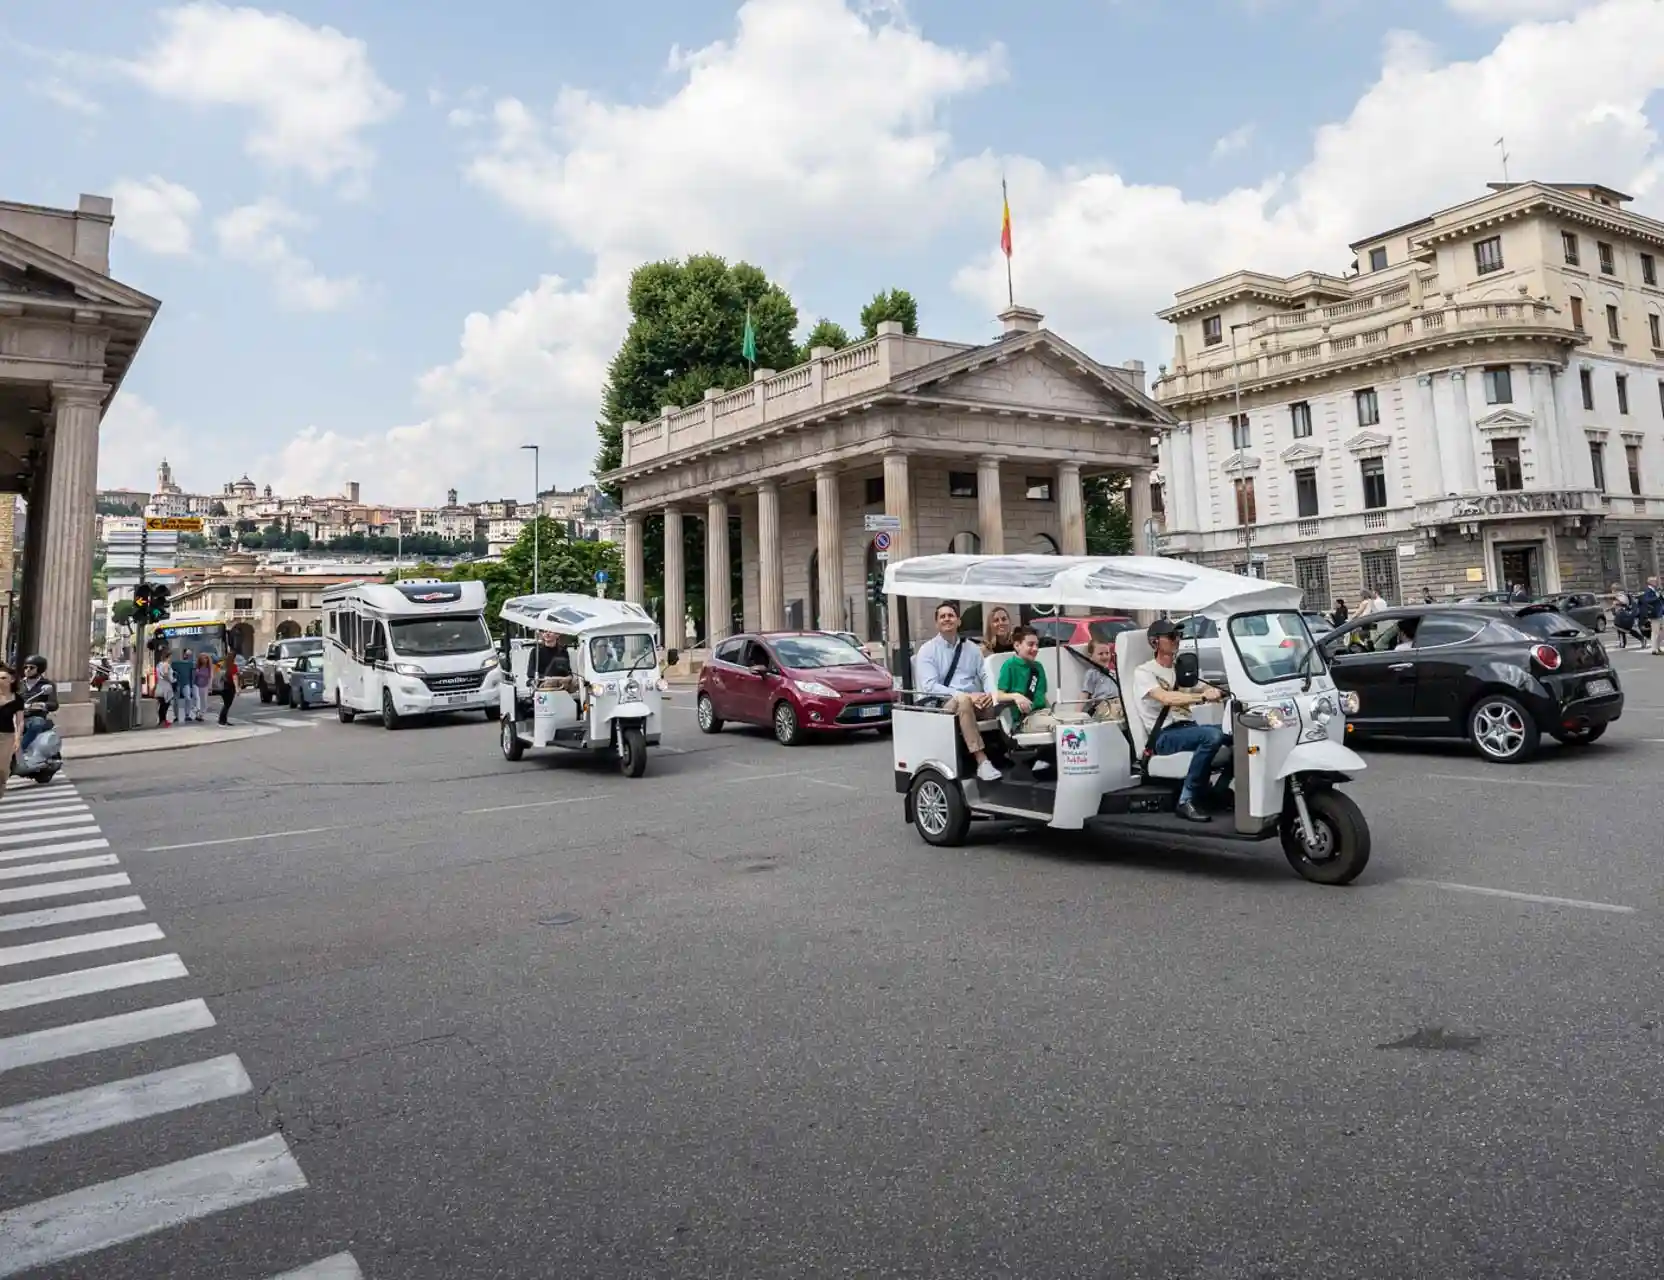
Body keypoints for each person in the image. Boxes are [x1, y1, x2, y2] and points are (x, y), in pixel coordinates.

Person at [1132, 618, 1231, 823]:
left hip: (1188, 729)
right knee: (1212, 735)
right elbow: (1166, 697)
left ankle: (1218, 791)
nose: (1177, 639)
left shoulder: (1181, 668)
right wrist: (1202, 697)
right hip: (1164, 735)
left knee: (1238, 732)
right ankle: (1185, 800)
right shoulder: (1144, 672)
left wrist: (1220, 690)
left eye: (1178, 635)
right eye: (1171, 636)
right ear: (1155, 642)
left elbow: (1200, 687)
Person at [913, 601, 1000, 782]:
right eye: (942, 616)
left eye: (951, 615)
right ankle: (981, 760)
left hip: (973, 700)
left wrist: (990, 695)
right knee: (963, 701)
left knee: (1004, 703)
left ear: (958, 621)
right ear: (937, 623)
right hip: (941, 703)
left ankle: (1020, 756)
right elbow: (930, 686)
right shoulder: (927, 650)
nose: (947, 619)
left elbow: (985, 674)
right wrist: (967, 696)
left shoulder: (972, 648)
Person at [996, 627, 1057, 770]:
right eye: (1030, 644)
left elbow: (1042, 696)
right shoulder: (1009, 666)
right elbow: (999, 695)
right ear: (1017, 645)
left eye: (1037, 645)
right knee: (1058, 724)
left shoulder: (1038, 667)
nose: (1035, 648)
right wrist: (1016, 696)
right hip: (1024, 720)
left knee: (1081, 718)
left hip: (1042, 714)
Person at [531, 631, 583, 715]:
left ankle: (582, 711)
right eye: (544, 631)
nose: (547, 633)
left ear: (557, 635)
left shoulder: (563, 651)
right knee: (550, 683)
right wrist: (544, 677)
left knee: (580, 682)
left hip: (561, 680)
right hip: (545, 681)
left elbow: (568, 670)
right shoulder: (536, 651)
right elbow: (530, 672)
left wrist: (569, 677)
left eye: (550, 632)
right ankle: (554, 712)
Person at [18, 654, 57, 758]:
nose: (27, 670)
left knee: (37, 723)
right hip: (18, 716)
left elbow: (54, 704)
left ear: (39, 669)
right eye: (25, 667)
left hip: (34, 716)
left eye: (31, 667)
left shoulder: (47, 685)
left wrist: (41, 705)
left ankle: (19, 750)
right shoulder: (19, 684)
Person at [1080, 638, 1124, 722]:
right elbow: (1085, 693)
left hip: (1118, 703)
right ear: (1091, 657)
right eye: (1100, 654)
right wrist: (1077, 713)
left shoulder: (1113, 673)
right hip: (1104, 705)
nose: (1105, 656)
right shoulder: (1092, 673)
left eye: (1107, 653)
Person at [0, 665, 22, 797]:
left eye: (3, 678)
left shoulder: (17, 699)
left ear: (11, 680)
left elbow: (20, 721)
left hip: (7, 736)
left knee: (2, 768)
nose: (0, 681)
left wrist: (17, 739)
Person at [172, 647, 197, 722]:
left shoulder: (190, 664)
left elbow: (191, 674)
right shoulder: (175, 663)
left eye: (189, 655)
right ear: (183, 654)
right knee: (176, 700)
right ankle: (176, 716)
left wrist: (192, 685)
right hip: (177, 683)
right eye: (187, 654)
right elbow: (172, 673)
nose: (188, 656)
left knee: (188, 698)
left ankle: (187, 715)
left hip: (186, 683)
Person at [215, 650, 239, 725]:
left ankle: (223, 720)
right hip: (230, 687)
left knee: (226, 704)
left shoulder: (221, 665)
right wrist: (237, 688)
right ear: (234, 657)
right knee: (227, 705)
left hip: (222, 686)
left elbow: (216, 671)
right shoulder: (233, 666)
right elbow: (234, 677)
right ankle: (222, 720)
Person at [1643, 576, 1664, 655]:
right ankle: (1654, 649)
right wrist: (1656, 597)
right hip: (1654, 613)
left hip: (1660, 613)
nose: (1657, 582)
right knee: (1655, 632)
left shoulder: (1656, 590)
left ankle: (1657, 647)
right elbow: (1647, 600)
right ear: (1650, 582)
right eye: (1655, 581)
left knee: (1661, 632)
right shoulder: (1648, 591)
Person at [153, 650, 175, 727]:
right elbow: (165, 674)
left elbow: (159, 675)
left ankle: (161, 720)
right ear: (168, 657)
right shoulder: (166, 664)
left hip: (160, 686)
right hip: (166, 687)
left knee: (162, 704)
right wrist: (171, 680)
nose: (171, 658)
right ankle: (163, 720)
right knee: (166, 704)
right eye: (171, 657)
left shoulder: (159, 665)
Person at [194, 652, 214, 722]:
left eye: (205, 658)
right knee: (197, 699)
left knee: (204, 701)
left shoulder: (209, 667)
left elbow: (211, 677)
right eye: (202, 658)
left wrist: (210, 686)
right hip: (197, 685)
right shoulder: (198, 666)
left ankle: (201, 714)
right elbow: (194, 676)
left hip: (205, 685)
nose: (204, 660)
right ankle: (198, 713)